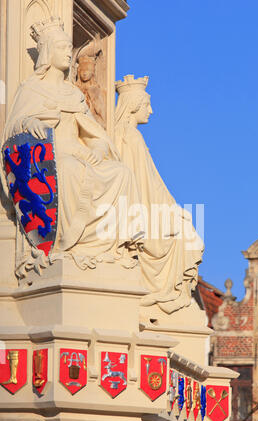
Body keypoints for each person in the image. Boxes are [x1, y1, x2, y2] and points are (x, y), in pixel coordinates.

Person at [1, 18, 143, 265]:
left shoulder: (73, 94)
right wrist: (29, 123)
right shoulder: (31, 89)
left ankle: (108, 249)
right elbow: (13, 129)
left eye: (69, 47)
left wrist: (99, 148)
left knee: (122, 173)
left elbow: (93, 133)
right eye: (63, 48)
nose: (69, 53)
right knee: (68, 169)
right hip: (53, 157)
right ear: (48, 51)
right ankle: (69, 241)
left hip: (80, 153)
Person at [115, 75, 204, 314]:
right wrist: (171, 209)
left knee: (186, 227)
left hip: (143, 202)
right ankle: (172, 294)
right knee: (187, 233)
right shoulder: (131, 137)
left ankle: (175, 294)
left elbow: (150, 181)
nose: (151, 111)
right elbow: (145, 184)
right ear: (133, 105)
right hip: (140, 206)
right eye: (147, 105)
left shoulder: (128, 135)